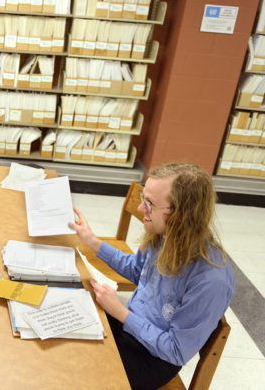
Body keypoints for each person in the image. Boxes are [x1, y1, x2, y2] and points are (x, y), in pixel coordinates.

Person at [69, 163, 235, 390]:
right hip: (130, 327)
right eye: (143, 198)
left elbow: (175, 350)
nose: (140, 208)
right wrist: (93, 242)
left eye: (149, 203)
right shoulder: (165, 236)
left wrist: (120, 312)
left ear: (181, 214)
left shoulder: (211, 280)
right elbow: (137, 271)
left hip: (153, 358)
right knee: (68, 335)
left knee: (77, 375)